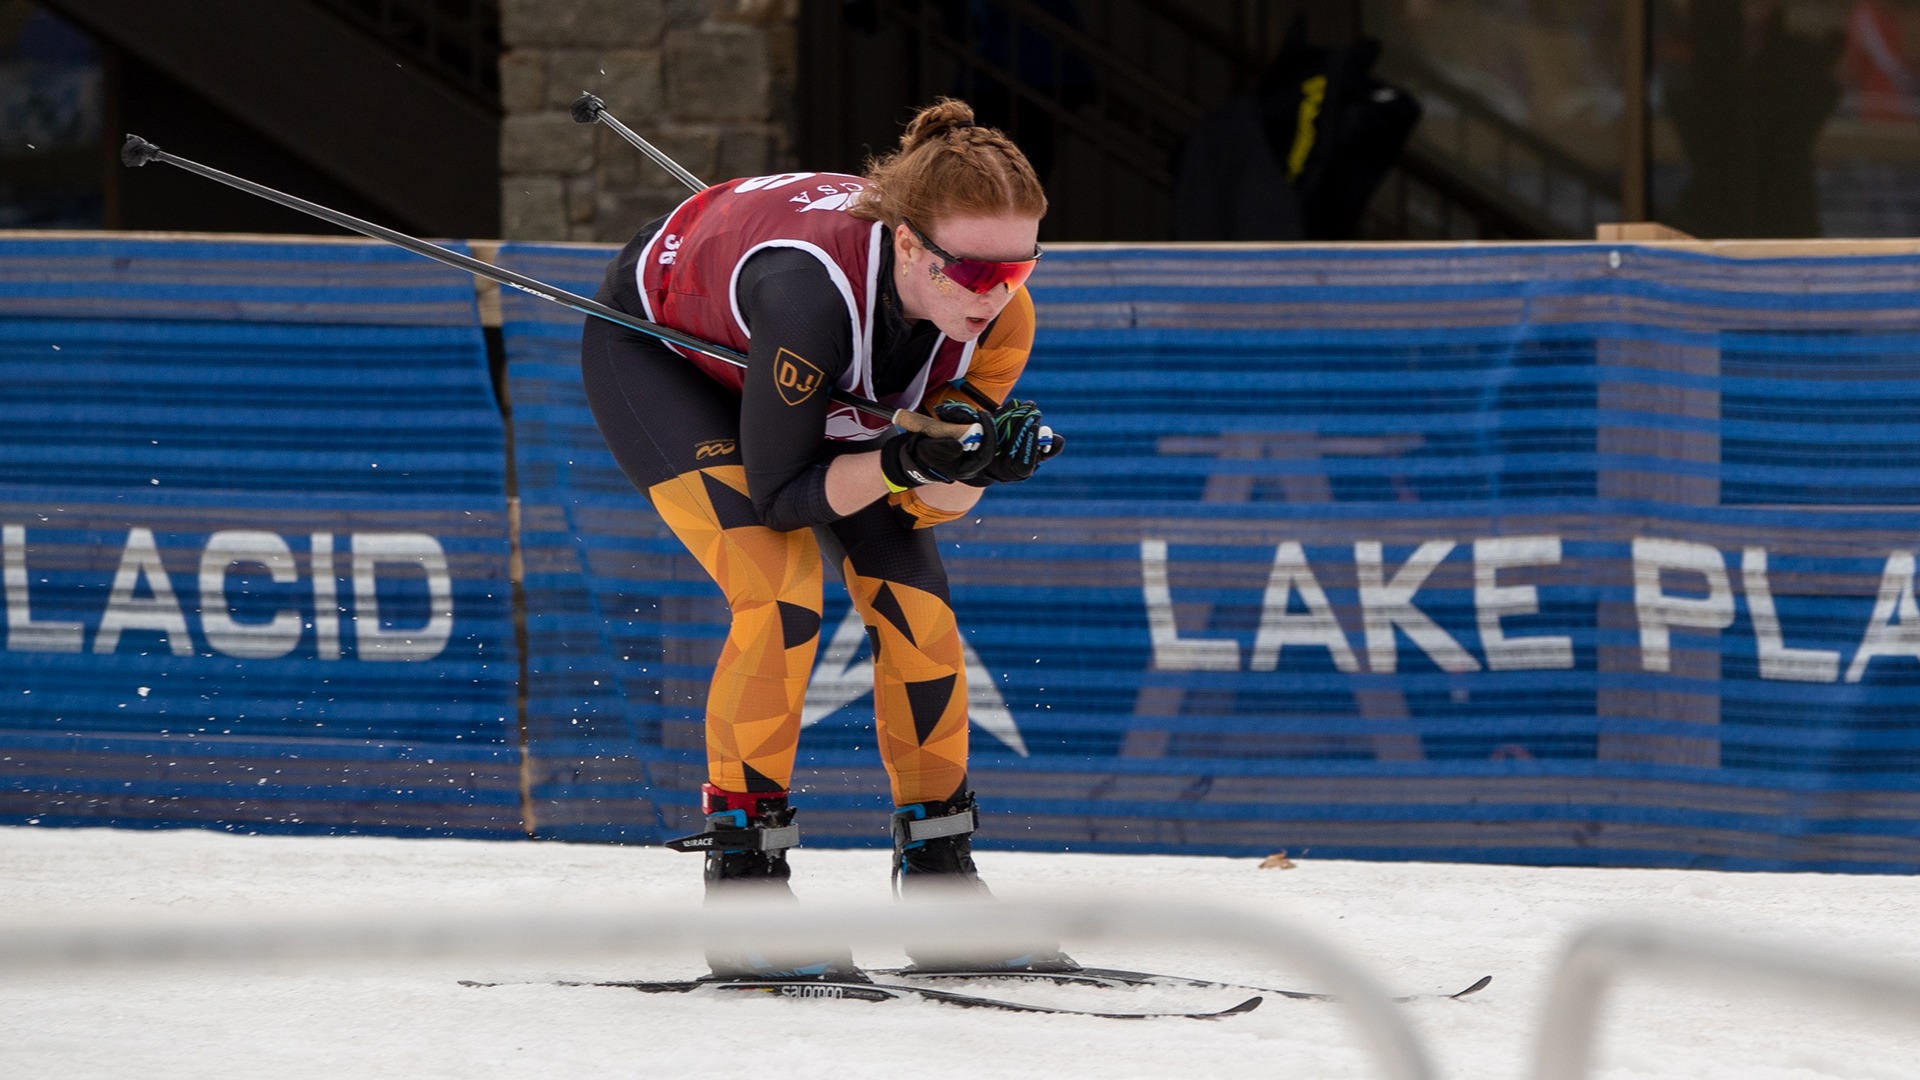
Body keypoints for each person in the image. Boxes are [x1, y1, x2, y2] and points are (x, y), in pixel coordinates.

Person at [579, 98, 1068, 980]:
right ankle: (746, 888)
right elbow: (781, 495)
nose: (998, 296)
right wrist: (905, 460)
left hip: (808, 373)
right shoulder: (809, 298)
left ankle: (942, 880)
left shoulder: (1000, 316)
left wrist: (974, 467)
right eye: (977, 274)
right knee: (780, 593)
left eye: (1021, 268)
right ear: (914, 246)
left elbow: (926, 507)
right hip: (667, 354)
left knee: (918, 614)